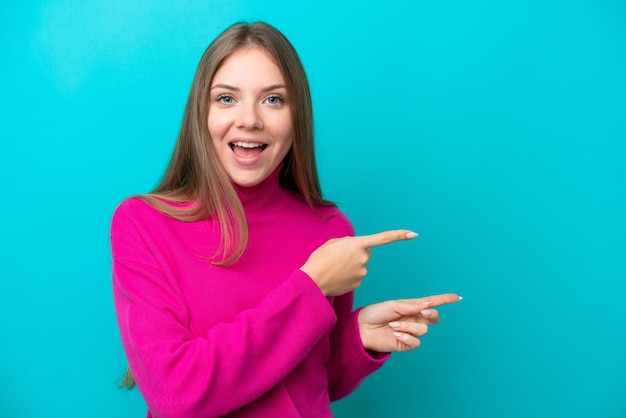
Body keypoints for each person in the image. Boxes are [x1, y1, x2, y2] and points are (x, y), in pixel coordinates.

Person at [111, 21, 460, 418]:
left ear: (297, 116)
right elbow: (176, 395)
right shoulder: (143, 225)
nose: (249, 120)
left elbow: (310, 382)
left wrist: (358, 338)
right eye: (226, 99)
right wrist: (311, 286)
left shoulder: (330, 230)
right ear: (200, 114)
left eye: (273, 100)